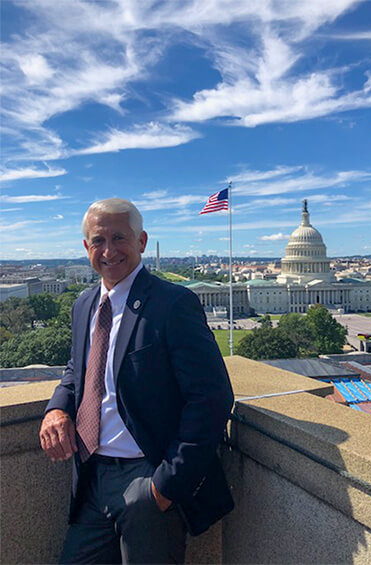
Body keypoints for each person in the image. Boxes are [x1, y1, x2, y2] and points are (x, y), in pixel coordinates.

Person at [40, 198, 234, 564]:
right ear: (86, 248)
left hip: (147, 478)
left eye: (119, 238)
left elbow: (212, 398)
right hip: (91, 478)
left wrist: (163, 487)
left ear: (142, 241)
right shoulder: (84, 304)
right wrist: (57, 410)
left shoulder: (173, 303)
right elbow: (76, 370)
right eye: (99, 240)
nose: (109, 250)